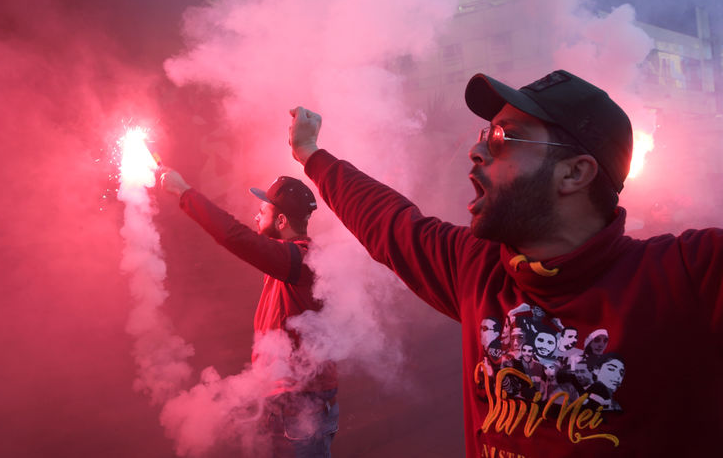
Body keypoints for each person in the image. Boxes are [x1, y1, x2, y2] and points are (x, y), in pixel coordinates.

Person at [287, 69, 723, 456]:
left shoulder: (691, 275)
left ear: (574, 173)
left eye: (503, 137)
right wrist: (310, 153)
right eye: (483, 135)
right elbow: (389, 221)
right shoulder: (479, 270)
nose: (477, 152)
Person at [161, 170, 338, 457]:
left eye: (262, 211)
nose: (255, 217)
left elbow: (235, 236)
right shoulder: (288, 259)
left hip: (303, 403)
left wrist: (185, 193)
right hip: (285, 400)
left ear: (281, 220)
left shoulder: (301, 260)